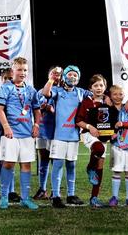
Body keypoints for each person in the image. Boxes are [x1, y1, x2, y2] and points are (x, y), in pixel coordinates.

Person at [42, 65, 91, 208]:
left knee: (71, 165)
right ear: (64, 76)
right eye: (70, 74)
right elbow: (46, 93)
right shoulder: (57, 91)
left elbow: (97, 94)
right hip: (59, 135)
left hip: (74, 135)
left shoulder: (81, 92)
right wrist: (52, 79)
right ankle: (56, 196)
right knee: (57, 165)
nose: (73, 77)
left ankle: (71, 195)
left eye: (76, 75)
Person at [0, 57, 40, 210]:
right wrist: (6, 126)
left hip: (27, 133)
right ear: (12, 71)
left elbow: (36, 109)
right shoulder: (5, 88)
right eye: (19, 69)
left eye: (25, 70)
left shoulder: (31, 90)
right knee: (8, 164)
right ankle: (4, 197)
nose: (22, 73)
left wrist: (36, 125)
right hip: (11, 134)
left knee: (26, 165)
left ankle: (25, 198)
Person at [75, 74, 115, 207]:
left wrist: (113, 132)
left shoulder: (108, 101)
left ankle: (94, 198)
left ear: (105, 87)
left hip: (102, 135)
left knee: (100, 165)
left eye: (101, 85)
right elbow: (78, 121)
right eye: (95, 85)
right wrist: (89, 127)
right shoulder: (86, 101)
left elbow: (113, 119)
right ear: (90, 88)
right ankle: (89, 168)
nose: (99, 88)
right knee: (98, 148)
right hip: (88, 134)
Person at [0, 68, 19, 203]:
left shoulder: (19, 95)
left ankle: (11, 191)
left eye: (10, 79)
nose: (7, 81)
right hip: (0, 134)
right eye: (5, 78)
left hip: (15, 133)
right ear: (1, 79)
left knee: (10, 163)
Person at [108, 85, 128, 208]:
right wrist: (111, 133)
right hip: (116, 145)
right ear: (110, 96)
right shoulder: (108, 109)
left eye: (120, 94)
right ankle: (114, 197)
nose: (118, 96)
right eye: (115, 94)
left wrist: (123, 124)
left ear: (124, 95)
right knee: (116, 171)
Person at [32, 66, 62, 201]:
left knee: (56, 161)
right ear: (49, 75)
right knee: (43, 159)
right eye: (53, 73)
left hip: (57, 131)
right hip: (43, 130)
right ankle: (42, 189)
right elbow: (39, 106)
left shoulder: (62, 92)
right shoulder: (41, 91)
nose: (56, 76)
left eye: (58, 74)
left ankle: (55, 190)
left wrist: (52, 108)